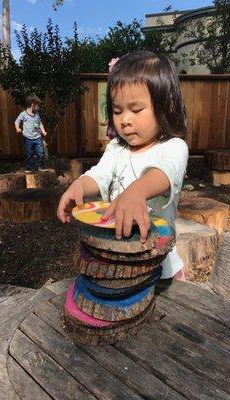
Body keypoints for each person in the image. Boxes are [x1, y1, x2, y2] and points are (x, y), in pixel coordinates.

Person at [58, 51, 189, 281]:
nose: (124, 119)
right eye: (117, 111)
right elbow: (99, 174)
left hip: (159, 265)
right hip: (118, 260)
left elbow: (163, 174)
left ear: (165, 105)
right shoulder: (116, 149)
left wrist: (137, 191)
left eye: (136, 110)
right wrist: (79, 185)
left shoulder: (174, 147)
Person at [15, 94, 48, 173]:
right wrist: (18, 128)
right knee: (29, 153)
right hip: (28, 138)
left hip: (37, 137)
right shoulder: (23, 114)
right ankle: (30, 168)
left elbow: (39, 123)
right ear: (33, 105)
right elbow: (17, 121)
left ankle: (41, 166)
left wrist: (43, 131)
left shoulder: (37, 114)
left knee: (40, 152)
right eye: (38, 106)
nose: (39, 108)